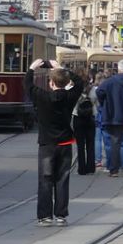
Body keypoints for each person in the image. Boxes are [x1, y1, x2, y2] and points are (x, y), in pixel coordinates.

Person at [26, 60, 82, 225]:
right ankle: (60, 215)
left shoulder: (42, 97)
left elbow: (28, 85)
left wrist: (31, 68)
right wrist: (61, 68)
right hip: (65, 143)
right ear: (66, 82)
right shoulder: (70, 96)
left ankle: (45, 216)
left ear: (51, 83)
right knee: (62, 179)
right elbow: (79, 82)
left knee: (45, 179)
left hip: (47, 145)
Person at [96, 60, 123, 176]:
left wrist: (105, 103)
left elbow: (99, 92)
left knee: (115, 143)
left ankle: (114, 170)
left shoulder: (109, 82)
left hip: (114, 115)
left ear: (119, 69)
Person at [71, 68, 97, 176]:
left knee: (80, 145)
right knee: (90, 144)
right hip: (90, 117)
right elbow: (96, 101)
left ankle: (81, 169)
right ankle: (91, 168)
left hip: (78, 117)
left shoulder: (73, 88)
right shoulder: (92, 88)